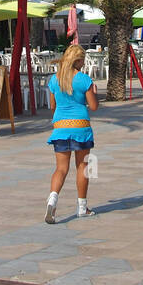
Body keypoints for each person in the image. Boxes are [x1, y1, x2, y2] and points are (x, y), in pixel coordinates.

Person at [44, 43, 98, 223]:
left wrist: (59, 120)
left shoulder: (55, 79)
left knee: (60, 169)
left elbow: (52, 106)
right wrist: (94, 92)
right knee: (82, 167)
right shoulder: (84, 80)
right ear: (79, 60)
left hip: (60, 127)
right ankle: (82, 207)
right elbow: (94, 106)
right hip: (81, 126)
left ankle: (52, 199)